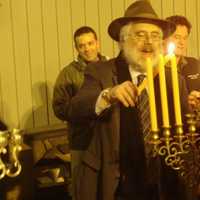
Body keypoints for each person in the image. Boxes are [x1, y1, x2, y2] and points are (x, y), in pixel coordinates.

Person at [67, 1, 191, 200]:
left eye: (155, 35)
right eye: (140, 34)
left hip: (165, 183)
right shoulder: (101, 72)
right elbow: (75, 109)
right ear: (123, 40)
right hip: (117, 184)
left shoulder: (173, 79)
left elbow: (185, 129)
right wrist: (108, 95)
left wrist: (196, 113)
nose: (149, 42)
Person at [52, 26, 108, 198]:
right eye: (82, 45)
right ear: (77, 48)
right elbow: (59, 108)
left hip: (108, 139)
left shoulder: (110, 67)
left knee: (107, 186)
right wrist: (85, 109)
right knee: (83, 189)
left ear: (97, 43)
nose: (87, 48)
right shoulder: (68, 74)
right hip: (82, 140)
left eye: (90, 43)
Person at [164, 15, 200, 114]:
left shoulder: (194, 64)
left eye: (185, 38)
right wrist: (184, 101)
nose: (182, 42)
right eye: (177, 37)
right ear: (164, 38)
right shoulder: (156, 68)